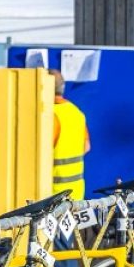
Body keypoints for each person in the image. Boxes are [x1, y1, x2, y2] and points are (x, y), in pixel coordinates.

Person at [49, 72, 90, 201]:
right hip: (76, 191)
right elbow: (86, 147)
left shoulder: (49, 115)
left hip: (53, 195)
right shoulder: (77, 113)